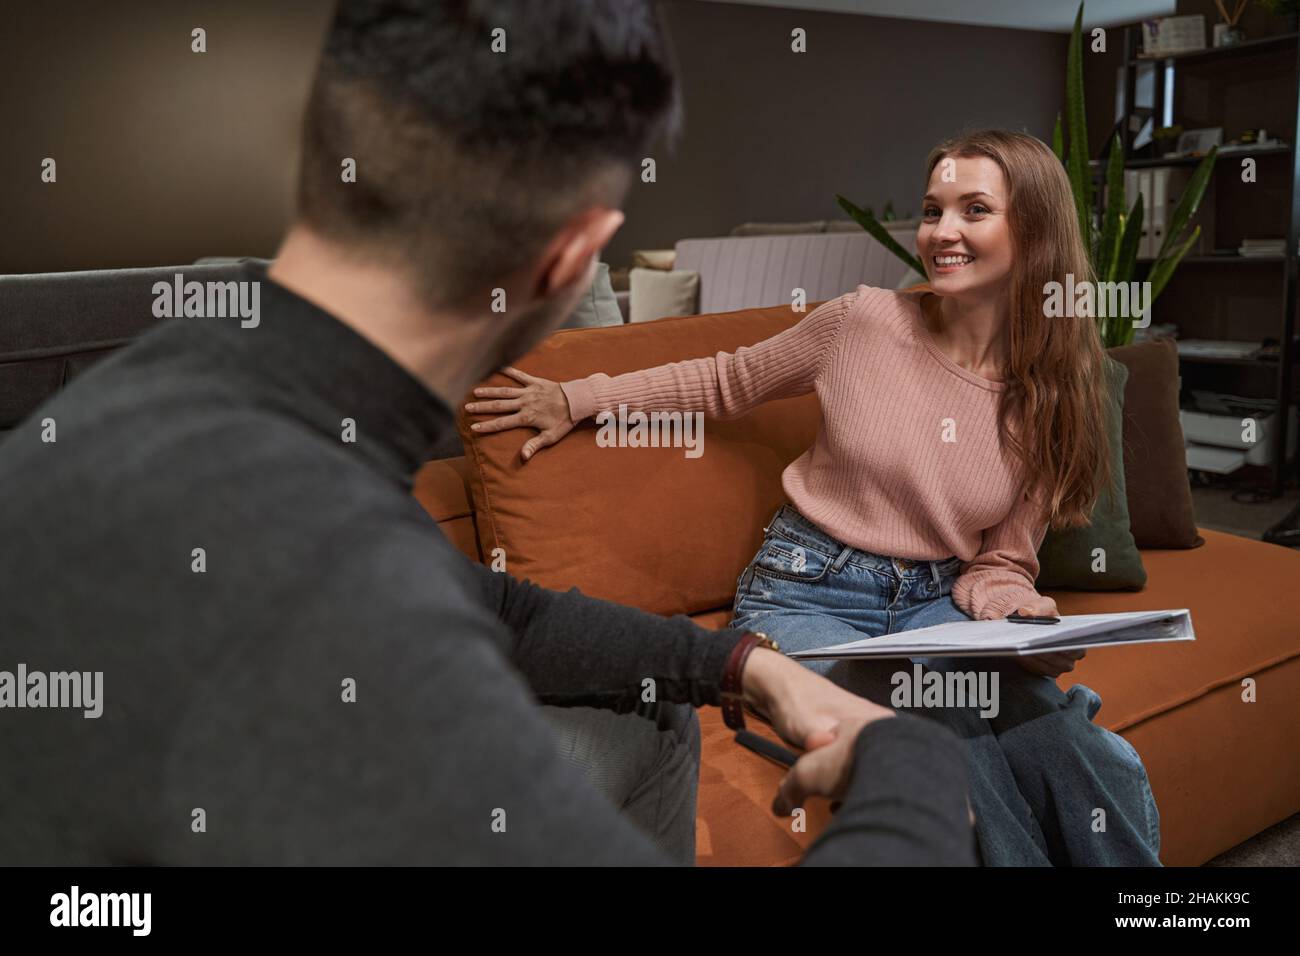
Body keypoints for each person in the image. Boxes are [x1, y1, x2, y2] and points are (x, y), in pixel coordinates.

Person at [0, 0, 976, 866]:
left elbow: (490, 607)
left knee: (650, 712)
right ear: (572, 260)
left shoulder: (198, 365)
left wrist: (740, 666)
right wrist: (915, 761)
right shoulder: (317, 582)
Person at [467, 129, 1163, 866]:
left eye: (974, 210)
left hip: (937, 607)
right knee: (937, 727)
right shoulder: (861, 323)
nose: (942, 232)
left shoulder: (1052, 391)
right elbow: (726, 379)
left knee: (1060, 740)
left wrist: (1018, 618)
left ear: (1034, 232)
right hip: (805, 599)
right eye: (932, 211)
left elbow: (1001, 564)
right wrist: (580, 396)